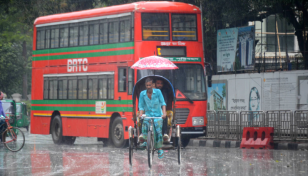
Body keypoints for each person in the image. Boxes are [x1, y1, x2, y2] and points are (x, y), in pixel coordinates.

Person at [138, 77, 166, 159]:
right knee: (144, 122)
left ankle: (160, 149)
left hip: (157, 115)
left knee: (158, 131)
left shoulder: (158, 92)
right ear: (145, 85)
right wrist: (141, 114)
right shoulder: (142, 94)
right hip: (148, 115)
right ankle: (145, 140)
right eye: (147, 85)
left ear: (153, 85)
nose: (148, 87)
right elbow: (141, 106)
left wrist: (164, 113)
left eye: (150, 85)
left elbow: (163, 103)